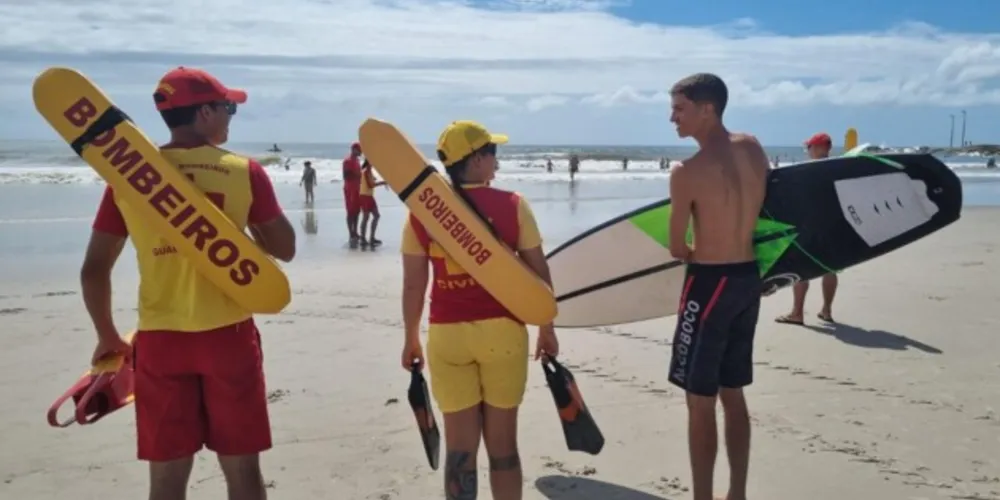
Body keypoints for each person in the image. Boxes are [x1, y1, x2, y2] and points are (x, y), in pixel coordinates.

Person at [82, 66, 296, 500]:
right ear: (203, 113)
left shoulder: (128, 178)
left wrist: (107, 335)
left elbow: (94, 268)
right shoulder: (244, 171)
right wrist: (242, 224)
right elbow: (285, 247)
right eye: (227, 108)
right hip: (228, 336)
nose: (231, 116)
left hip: (162, 342)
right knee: (242, 472)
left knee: (166, 480)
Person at [399, 121, 558, 500]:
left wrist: (410, 338)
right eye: (492, 153)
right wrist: (547, 328)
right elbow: (540, 274)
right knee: (503, 449)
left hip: (448, 337)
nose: (497, 161)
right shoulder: (514, 206)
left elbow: (413, 285)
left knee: (460, 450)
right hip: (503, 334)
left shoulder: (422, 214)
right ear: (475, 161)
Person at [666, 73, 770, 500]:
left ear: (708, 109)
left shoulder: (684, 171)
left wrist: (692, 248)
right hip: (748, 279)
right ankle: (738, 494)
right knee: (733, 392)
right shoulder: (753, 148)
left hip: (709, 284)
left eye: (680, 108)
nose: (672, 117)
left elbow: (677, 246)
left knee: (699, 399)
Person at [775, 132, 838, 325]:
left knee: (801, 267)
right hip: (834, 225)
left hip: (810, 224)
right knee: (830, 269)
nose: (808, 151)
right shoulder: (838, 168)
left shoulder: (808, 170)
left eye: (809, 147)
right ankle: (826, 310)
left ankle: (797, 313)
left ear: (818, 148)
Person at [358, 159, 385, 247]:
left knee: (376, 215)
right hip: (365, 196)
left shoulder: (369, 171)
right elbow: (371, 185)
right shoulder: (366, 171)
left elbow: (370, 182)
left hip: (369, 195)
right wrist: (383, 183)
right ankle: (363, 238)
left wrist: (374, 179)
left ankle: (371, 237)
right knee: (366, 217)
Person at [342, 142, 363, 243]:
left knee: (357, 211)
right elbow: (345, 175)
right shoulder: (348, 161)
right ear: (354, 150)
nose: (361, 152)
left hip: (357, 188)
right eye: (359, 150)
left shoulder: (357, 161)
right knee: (350, 212)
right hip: (350, 189)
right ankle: (351, 233)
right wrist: (357, 176)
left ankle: (355, 231)